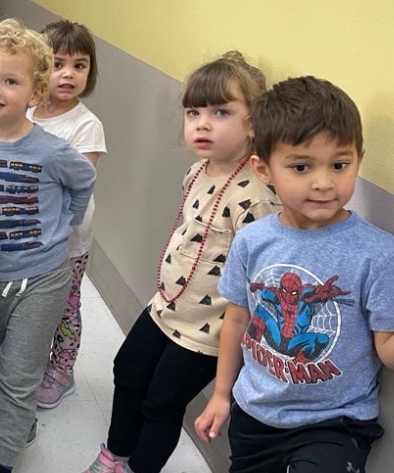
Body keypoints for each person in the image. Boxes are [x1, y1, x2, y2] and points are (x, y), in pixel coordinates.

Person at [85, 52, 279, 473]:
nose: (202, 123)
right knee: (128, 368)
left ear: (253, 122)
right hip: (169, 304)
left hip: (210, 328)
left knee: (163, 402)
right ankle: (116, 453)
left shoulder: (257, 195)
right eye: (194, 112)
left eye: (221, 112)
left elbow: (260, 281)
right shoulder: (197, 172)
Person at [194, 76, 394, 473]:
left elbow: (388, 350)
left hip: (335, 422)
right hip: (254, 414)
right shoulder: (252, 241)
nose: (323, 183)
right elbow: (237, 319)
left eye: (340, 164)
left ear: (358, 158)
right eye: (301, 166)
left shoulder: (379, 253)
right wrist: (221, 394)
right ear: (264, 168)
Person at [0, 18, 97, 473]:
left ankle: (1, 459)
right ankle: (17, 424)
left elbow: (85, 181)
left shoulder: (52, 150)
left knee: (18, 374)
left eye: (10, 81)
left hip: (42, 279)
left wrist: (64, 225)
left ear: (35, 93)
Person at [27, 19, 106, 409]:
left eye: (80, 65)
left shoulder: (86, 125)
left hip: (68, 240)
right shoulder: (24, 109)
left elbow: (80, 179)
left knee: (65, 305)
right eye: (58, 63)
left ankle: (62, 368)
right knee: (31, 304)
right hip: (24, 235)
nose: (68, 74)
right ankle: (31, 361)